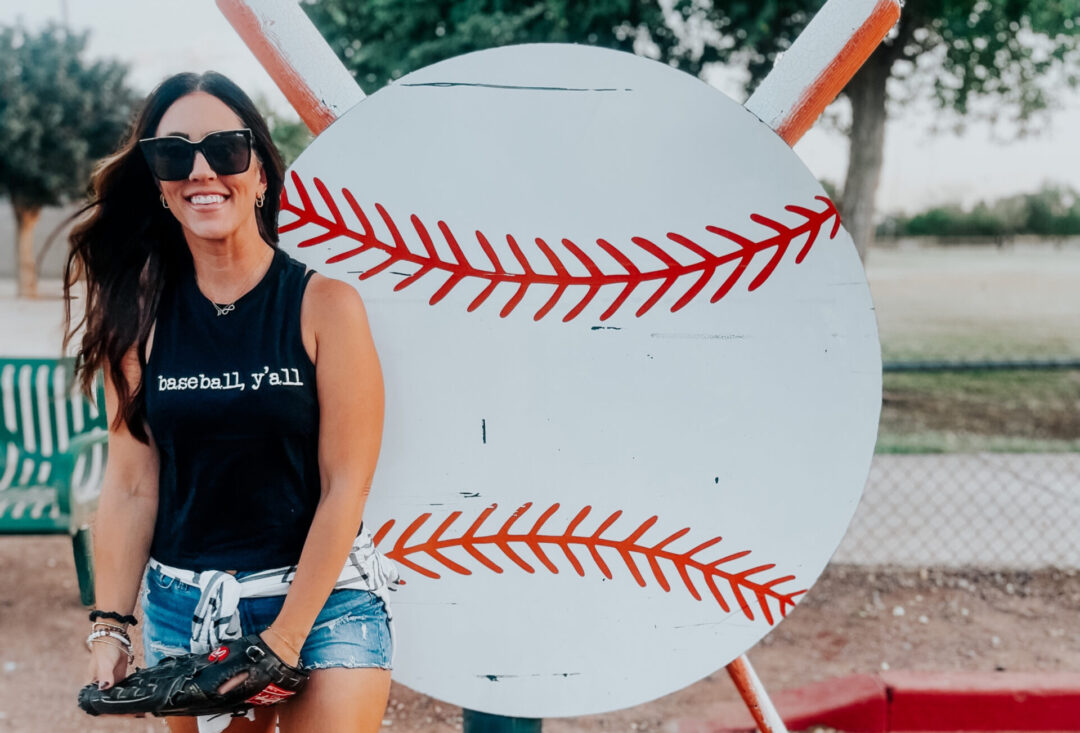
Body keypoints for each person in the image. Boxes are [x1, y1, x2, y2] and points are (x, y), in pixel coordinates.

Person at [63, 70, 398, 733]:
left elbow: (346, 486)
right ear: (158, 183)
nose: (201, 169)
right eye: (173, 153)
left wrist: (281, 642)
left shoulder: (324, 305)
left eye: (225, 148)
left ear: (261, 174)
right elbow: (131, 485)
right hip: (192, 608)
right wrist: (111, 625)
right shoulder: (140, 320)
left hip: (326, 599)